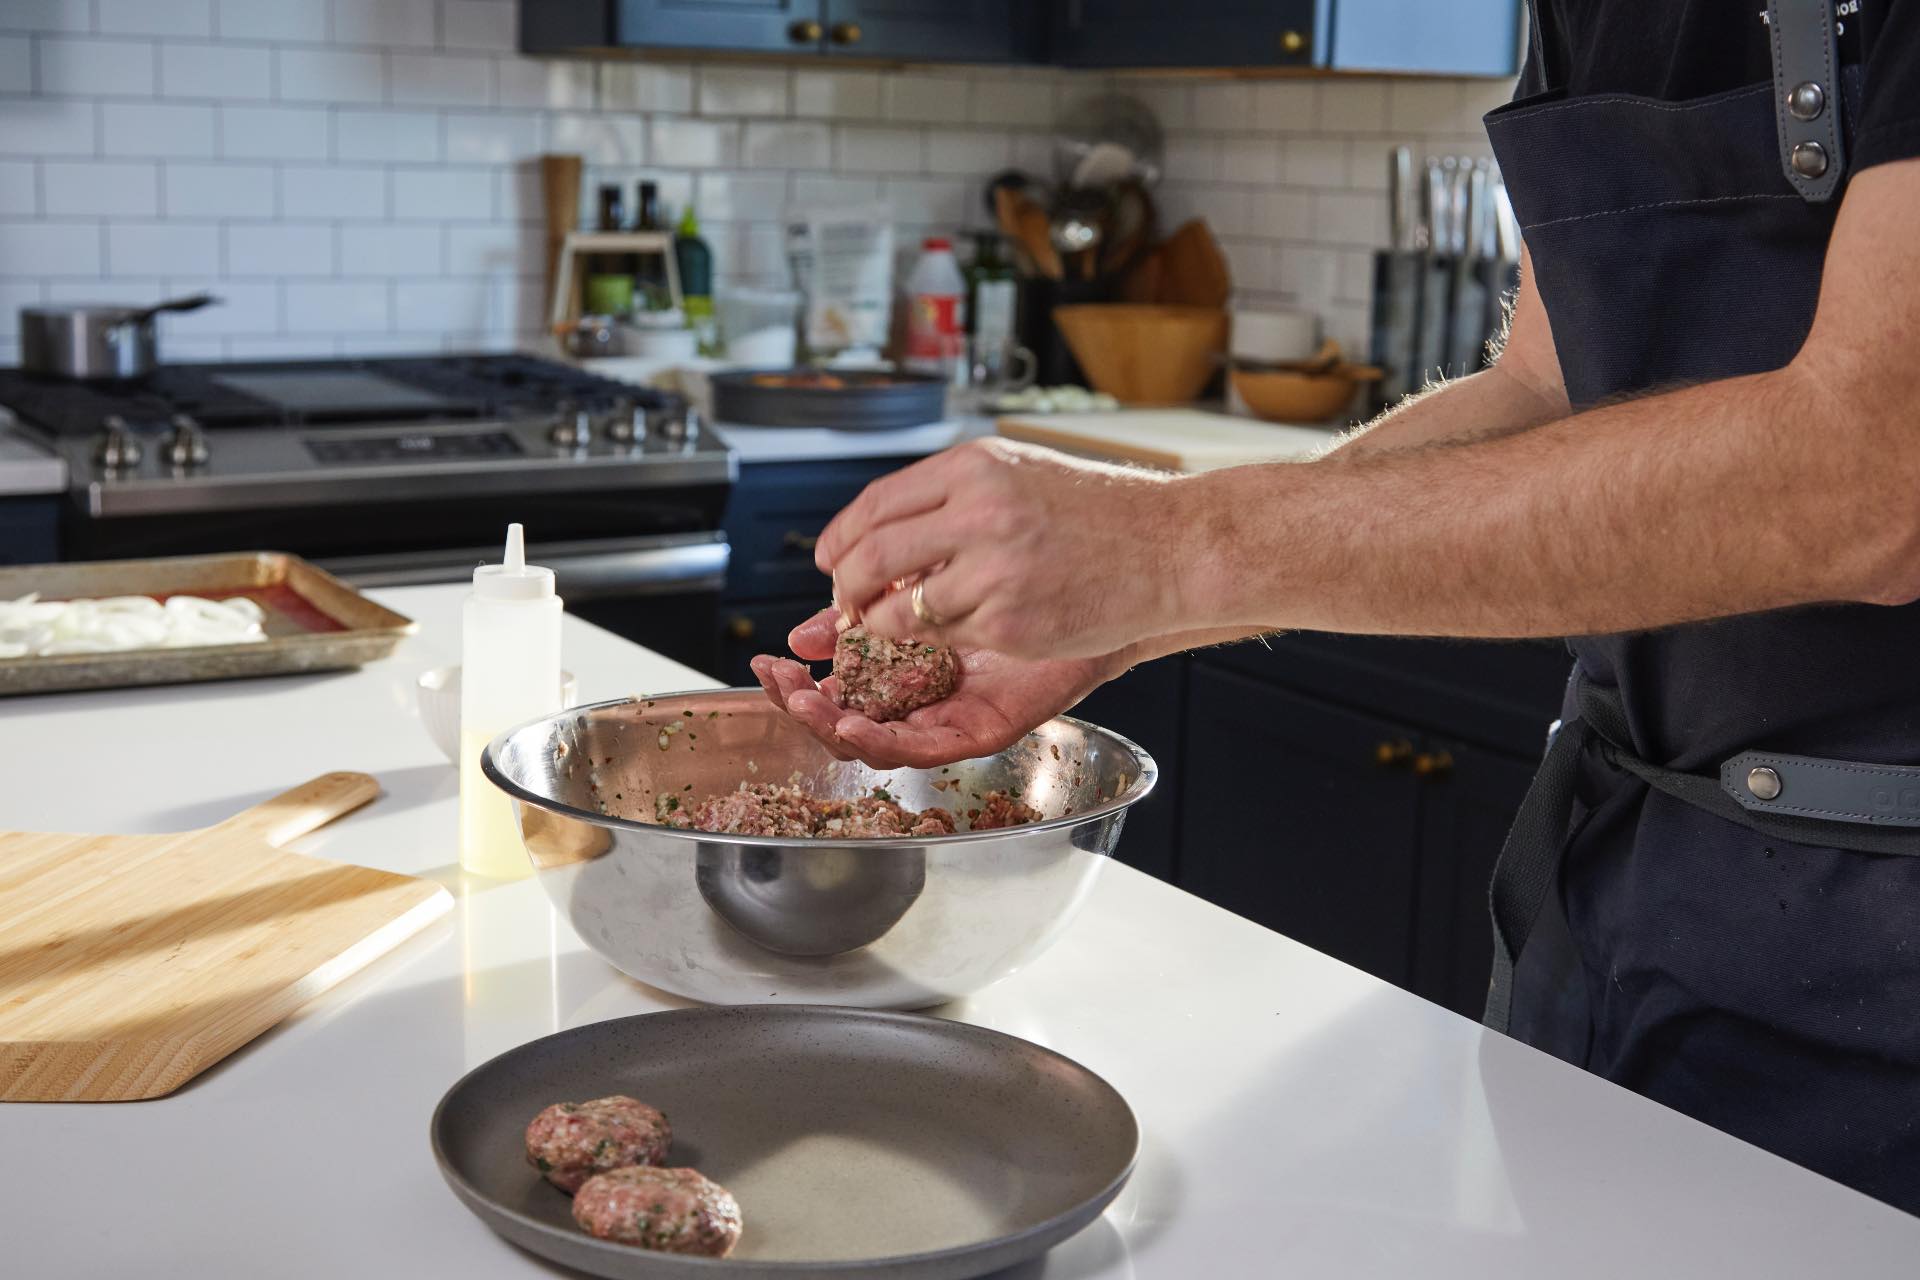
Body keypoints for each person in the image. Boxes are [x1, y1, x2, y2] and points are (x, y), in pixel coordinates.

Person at [753, 0, 1920, 1213]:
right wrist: (1126, 616)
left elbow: (1877, 475)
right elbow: (1544, 390)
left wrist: (1170, 544)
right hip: (1625, 893)